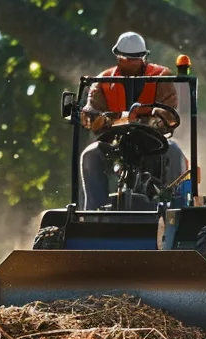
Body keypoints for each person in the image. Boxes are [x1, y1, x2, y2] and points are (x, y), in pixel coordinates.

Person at [78, 32, 187, 209]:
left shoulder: (161, 76)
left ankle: (174, 209)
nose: (131, 62)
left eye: (136, 58)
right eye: (127, 58)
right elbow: (92, 111)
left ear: (144, 57)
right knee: (90, 155)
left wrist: (151, 120)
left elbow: (169, 113)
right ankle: (94, 212)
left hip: (153, 141)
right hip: (116, 143)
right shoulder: (103, 80)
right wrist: (95, 118)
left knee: (174, 151)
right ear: (118, 57)